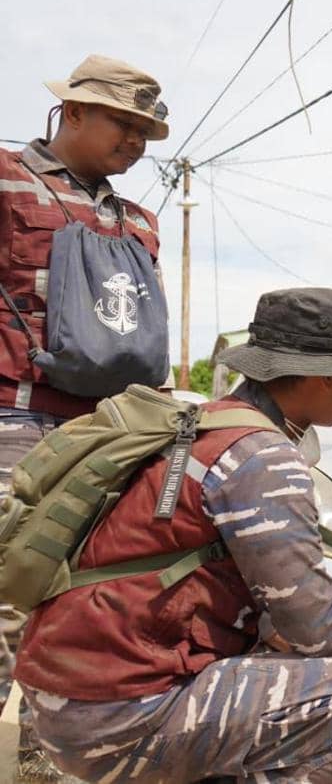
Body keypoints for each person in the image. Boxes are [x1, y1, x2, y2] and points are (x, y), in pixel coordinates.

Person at [13, 288, 332, 782]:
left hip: (65, 696)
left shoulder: (200, 425)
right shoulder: (262, 457)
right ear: (325, 376)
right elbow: (312, 627)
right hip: (122, 715)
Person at [0, 53, 175, 780]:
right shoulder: (7, 177)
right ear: (70, 112)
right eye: (123, 123)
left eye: (146, 130)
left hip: (116, 433)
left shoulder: (140, 219)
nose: (135, 141)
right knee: (9, 589)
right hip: (18, 420)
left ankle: (52, 761)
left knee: (88, 599)